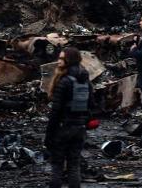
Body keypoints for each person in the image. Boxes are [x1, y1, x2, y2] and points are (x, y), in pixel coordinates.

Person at [45, 47, 93, 188]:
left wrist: (49, 134)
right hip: (79, 128)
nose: (58, 61)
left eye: (61, 58)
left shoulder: (64, 81)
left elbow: (56, 111)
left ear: (69, 60)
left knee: (57, 165)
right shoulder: (86, 81)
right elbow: (92, 105)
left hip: (63, 128)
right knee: (74, 164)